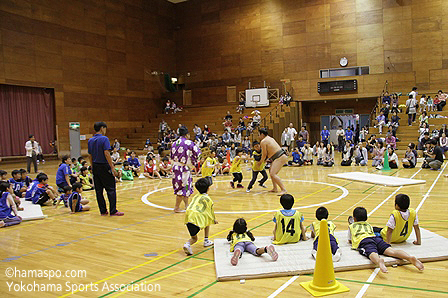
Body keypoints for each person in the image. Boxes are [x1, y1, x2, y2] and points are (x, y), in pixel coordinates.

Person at [348, 207, 424, 273]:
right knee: (392, 251)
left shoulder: (351, 226)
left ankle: (378, 261)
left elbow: (350, 240)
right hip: (376, 238)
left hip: (364, 241)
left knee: (371, 252)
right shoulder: (368, 225)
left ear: (354, 218)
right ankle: (408, 257)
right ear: (366, 218)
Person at [88, 122, 123, 216]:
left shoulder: (90, 140)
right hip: (104, 166)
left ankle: (103, 211)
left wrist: (92, 166)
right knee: (111, 189)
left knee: (99, 191)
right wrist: (112, 167)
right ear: (102, 128)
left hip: (95, 166)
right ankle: (113, 211)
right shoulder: (104, 139)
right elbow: (106, 153)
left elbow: (90, 155)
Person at [171, 126, 201, 213]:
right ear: (187, 134)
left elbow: (172, 156)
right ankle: (176, 207)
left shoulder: (174, 143)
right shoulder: (188, 142)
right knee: (182, 187)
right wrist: (194, 160)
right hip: (183, 169)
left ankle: (187, 205)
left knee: (185, 187)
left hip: (176, 167)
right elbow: (197, 153)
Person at [183, 178, 217, 255]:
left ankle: (187, 244)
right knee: (208, 220)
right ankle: (206, 240)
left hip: (188, 217)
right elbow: (210, 212)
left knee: (194, 238)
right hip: (196, 218)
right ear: (208, 188)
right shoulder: (208, 199)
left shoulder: (195, 196)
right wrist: (214, 219)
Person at [259, 128, 289, 195]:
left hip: (279, 157)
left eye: (259, 135)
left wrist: (261, 162)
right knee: (271, 171)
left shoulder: (263, 141)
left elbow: (264, 154)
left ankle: (283, 189)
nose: (259, 136)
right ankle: (275, 188)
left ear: (262, 134)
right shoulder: (270, 138)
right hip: (279, 156)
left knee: (273, 174)